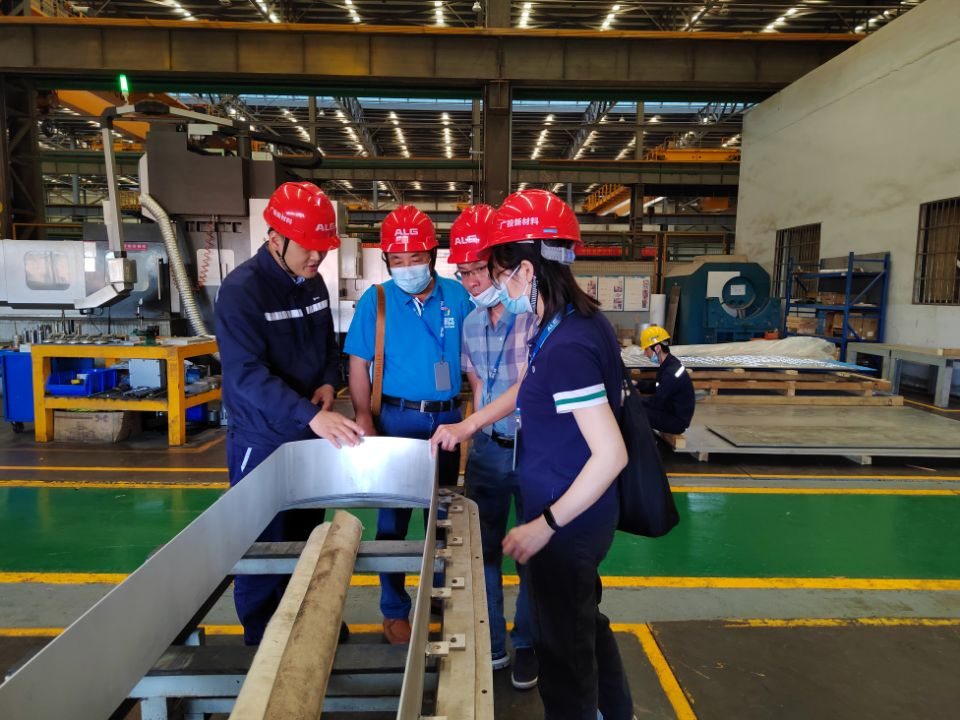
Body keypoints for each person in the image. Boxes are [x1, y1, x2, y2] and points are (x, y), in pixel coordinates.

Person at [432, 189, 633, 719]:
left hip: (569, 522)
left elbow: (610, 455)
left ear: (525, 269)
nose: (494, 285)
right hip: (571, 511)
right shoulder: (572, 324)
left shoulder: (566, 345)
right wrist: (472, 425)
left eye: (498, 273)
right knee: (586, 625)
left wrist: (545, 524)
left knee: (563, 653)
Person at [215, 181, 363, 645]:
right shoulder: (241, 292)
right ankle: (264, 640)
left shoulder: (311, 282)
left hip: (308, 431)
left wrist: (328, 382)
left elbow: (326, 345)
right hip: (263, 437)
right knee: (262, 544)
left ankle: (306, 622)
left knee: (307, 537)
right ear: (275, 238)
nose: (317, 258)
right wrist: (309, 414)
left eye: (323, 248)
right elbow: (245, 374)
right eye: (308, 248)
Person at [344, 205, 473, 645]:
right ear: (386, 261)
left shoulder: (457, 296)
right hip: (396, 419)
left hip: (448, 420)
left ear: (432, 255)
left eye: (414, 257)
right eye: (396, 260)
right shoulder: (376, 300)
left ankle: (438, 591)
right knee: (392, 520)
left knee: (442, 515)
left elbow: (476, 354)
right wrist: (364, 415)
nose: (406, 267)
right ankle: (394, 608)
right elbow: (357, 363)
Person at [450, 204, 539, 689]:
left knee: (530, 551)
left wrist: (466, 427)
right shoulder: (469, 324)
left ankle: (527, 643)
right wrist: (475, 441)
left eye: (478, 271)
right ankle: (494, 642)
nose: (471, 282)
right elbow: (479, 389)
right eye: (462, 273)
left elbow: (524, 390)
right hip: (488, 449)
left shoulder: (534, 319)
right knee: (482, 551)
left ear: (502, 264)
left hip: (534, 449)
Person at [635, 326, 695, 435]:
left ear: (657, 348)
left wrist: (631, 399)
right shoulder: (668, 364)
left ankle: (644, 443)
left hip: (677, 421)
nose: (645, 353)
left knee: (634, 411)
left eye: (646, 349)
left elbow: (656, 401)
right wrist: (636, 384)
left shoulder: (671, 372)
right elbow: (657, 386)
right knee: (637, 406)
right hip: (671, 410)